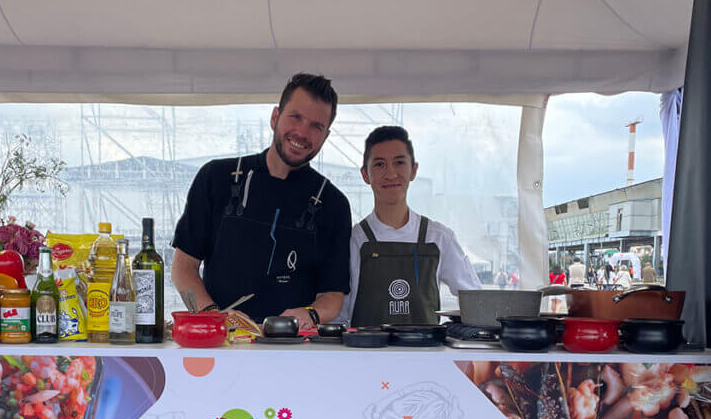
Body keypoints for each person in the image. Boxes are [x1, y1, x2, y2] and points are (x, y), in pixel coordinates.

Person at [171, 73, 351, 329]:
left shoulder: (334, 204)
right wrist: (216, 317)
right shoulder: (216, 178)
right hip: (220, 348)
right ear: (275, 117)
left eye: (316, 126)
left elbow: (332, 297)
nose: (302, 132)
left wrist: (310, 315)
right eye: (296, 117)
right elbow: (183, 268)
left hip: (295, 351)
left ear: (326, 135)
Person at [341, 126, 480, 326]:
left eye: (399, 163)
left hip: (426, 355)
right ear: (365, 174)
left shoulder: (439, 237)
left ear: (413, 170)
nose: (390, 174)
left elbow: (476, 299)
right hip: (366, 354)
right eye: (379, 164)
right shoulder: (353, 240)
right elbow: (339, 314)